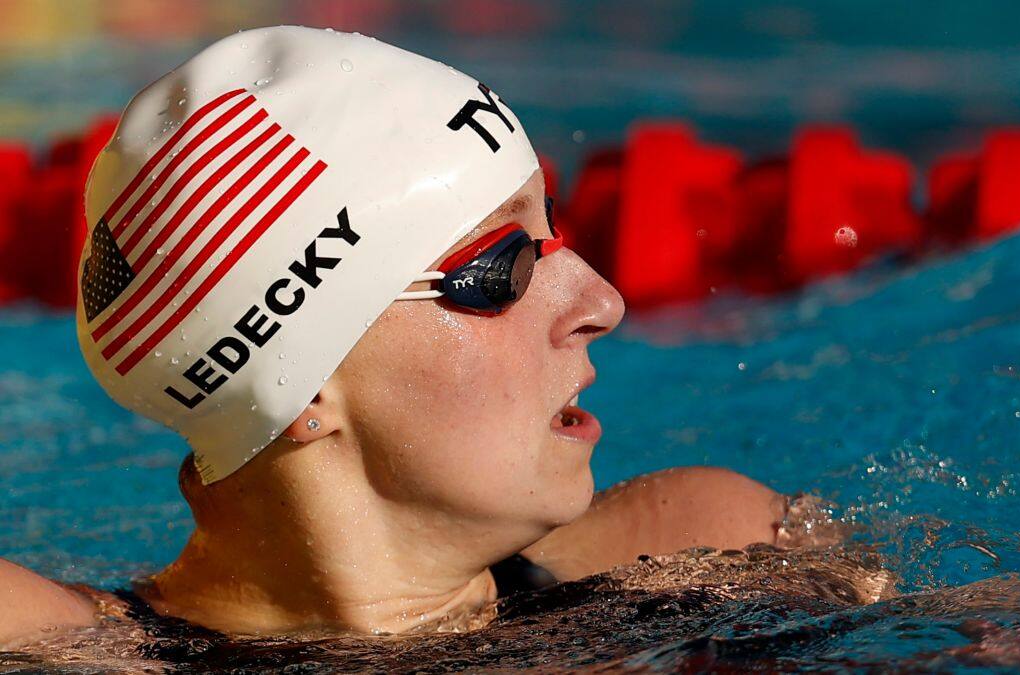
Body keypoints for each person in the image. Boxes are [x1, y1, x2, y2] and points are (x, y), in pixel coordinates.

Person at [0, 26, 844, 648]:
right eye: (499, 266)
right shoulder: (72, 648)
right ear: (304, 385)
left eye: (556, 232)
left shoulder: (726, 552)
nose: (602, 298)